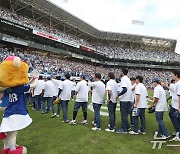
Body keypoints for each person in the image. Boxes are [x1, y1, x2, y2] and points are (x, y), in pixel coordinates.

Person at [117, 68, 132, 134]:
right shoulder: (127, 79)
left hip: (124, 99)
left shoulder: (123, 79)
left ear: (122, 72)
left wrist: (118, 95)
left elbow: (125, 89)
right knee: (125, 114)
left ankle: (124, 129)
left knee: (124, 115)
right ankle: (127, 126)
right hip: (128, 99)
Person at [168, 70, 180, 141]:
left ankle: (178, 134)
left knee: (176, 119)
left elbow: (179, 95)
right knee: (172, 115)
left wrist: (179, 107)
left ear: (176, 75)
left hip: (177, 105)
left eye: (173, 75)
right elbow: (174, 92)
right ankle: (177, 131)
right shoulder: (177, 83)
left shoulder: (179, 83)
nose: (172, 76)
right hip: (174, 104)